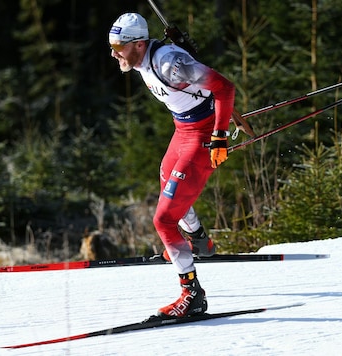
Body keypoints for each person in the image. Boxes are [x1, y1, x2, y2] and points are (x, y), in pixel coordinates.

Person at [109, 12, 236, 319]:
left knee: (164, 220)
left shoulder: (168, 63)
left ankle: (192, 295)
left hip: (202, 135)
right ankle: (198, 241)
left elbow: (224, 88)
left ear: (139, 44)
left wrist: (219, 136)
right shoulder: (139, 59)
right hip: (183, 129)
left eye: (119, 46)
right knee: (166, 179)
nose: (114, 53)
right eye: (111, 44)